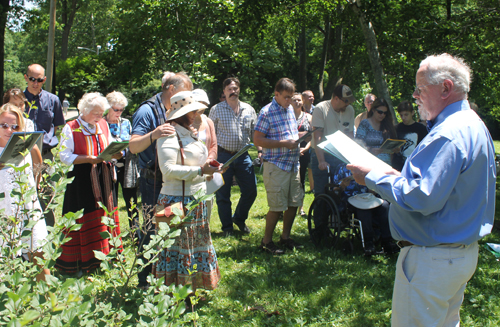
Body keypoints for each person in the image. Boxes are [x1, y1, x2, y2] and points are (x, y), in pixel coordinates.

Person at [347, 53, 495, 326]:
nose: (415, 96)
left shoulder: (448, 133)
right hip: (456, 254)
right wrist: (394, 175)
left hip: (433, 259)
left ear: (446, 88)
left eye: (420, 89)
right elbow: (441, 186)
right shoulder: (472, 124)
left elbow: (421, 197)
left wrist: (371, 177)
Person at [129, 72, 192, 288]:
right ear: (172, 90)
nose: (188, 98)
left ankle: (166, 277)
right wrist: (154, 134)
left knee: (170, 228)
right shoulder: (146, 110)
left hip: (172, 181)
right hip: (152, 182)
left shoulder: (175, 110)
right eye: (186, 92)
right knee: (151, 230)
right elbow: (134, 146)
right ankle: (143, 280)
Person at [153, 90, 221, 290]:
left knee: (193, 246)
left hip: (195, 198)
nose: (196, 114)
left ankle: (192, 287)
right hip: (176, 201)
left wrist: (210, 166)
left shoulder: (188, 132)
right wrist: (201, 170)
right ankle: (175, 290)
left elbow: (197, 159)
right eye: (192, 111)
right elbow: (167, 169)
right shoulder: (168, 134)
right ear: (181, 114)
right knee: (177, 247)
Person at [56, 92, 123, 274]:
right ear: (84, 110)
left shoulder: (102, 124)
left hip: (103, 176)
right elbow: (64, 156)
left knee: (104, 212)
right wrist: (88, 159)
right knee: (83, 215)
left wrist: (116, 152)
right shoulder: (71, 127)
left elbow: (108, 143)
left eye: (101, 113)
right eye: (96, 113)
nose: (99, 117)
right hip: (81, 179)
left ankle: (107, 255)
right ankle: (83, 260)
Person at [0, 103, 50, 281]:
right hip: (4, 211)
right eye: (4, 125)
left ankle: (48, 300)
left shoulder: (28, 147)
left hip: (27, 207)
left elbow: (38, 166)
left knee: (38, 254)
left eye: (15, 126)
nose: (9, 130)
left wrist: (35, 187)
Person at [254, 78, 304, 255]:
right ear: (276, 94)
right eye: (286, 97)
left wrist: (299, 138)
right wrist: (284, 143)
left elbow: (288, 132)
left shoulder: (289, 109)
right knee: (276, 206)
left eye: (291, 97)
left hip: (292, 164)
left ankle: (285, 237)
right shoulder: (266, 112)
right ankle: (266, 241)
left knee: (293, 203)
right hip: (276, 165)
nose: (290, 101)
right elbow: (258, 139)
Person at [208, 77, 259, 236]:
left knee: (251, 190)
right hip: (223, 156)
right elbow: (211, 135)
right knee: (223, 194)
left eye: (235, 88)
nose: (233, 91)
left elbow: (255, 134)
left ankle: (238, 218)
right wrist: (212, 157)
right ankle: (227, 228)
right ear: (224, 92)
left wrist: (261, 151)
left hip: (243, 156)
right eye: (229, 89)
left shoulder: (249, 109)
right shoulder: (216, 109)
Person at [23, 64, 65, 228]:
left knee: (47, 196)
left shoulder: (53, 100)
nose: (35, 83)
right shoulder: (19, 100)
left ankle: (47, 233)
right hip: (23, 155)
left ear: (44, 80)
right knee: (24, 195)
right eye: (32, 79)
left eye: (39, 80)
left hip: (46, 156)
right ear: (26, 78)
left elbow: (57, 126)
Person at [332, 163, 398, 256]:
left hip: (368, 197)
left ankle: (387, 241)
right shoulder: (342, 168)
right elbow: (335, 190)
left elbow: (375, 185)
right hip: (351, 199)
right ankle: (369, 243)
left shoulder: (367, 167)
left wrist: (373, 190)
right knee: (363, 210)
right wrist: (343, 185)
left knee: (385, 206)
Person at [104, 91, 139, 231]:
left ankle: (136, 233)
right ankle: (111, 233)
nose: (119, 112)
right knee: (110, 201)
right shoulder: (101, 123)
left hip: (127, 165)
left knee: (132, 201)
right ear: (107, 108)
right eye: (116, 109)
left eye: (121, 109)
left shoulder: (125, 123)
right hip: (108, 166)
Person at [3, 88, 43, 184]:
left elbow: (33, 148)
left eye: (21, 104)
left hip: (24, 163)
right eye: (14, 104)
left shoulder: (28, 123)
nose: (19, 107)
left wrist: (38, 175)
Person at [192, 89, 218, 222]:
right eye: (198, 102)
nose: (201, 106)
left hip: (206, 172)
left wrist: (209, 161)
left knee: (207, 205)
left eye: (204, 103)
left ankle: (205, 235)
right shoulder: (184, 122)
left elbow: (213, 145)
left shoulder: (208, 122)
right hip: (191, 171)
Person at [355, 98, 398, 166]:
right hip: (370, 165)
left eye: (385, 113)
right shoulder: (365, 124)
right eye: (380, 112)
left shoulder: (387, 126)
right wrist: (371, 150)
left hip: (386, 165)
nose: (382, 115)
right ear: (373, 110)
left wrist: (394, 149)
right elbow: (358, 145)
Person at [291, 92, 312, 216]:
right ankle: (286, 206)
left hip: (304, 152)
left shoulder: (309, 117)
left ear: (302, 102)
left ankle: (301, 208)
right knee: (288, 179)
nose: (297, 102)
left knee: (301, 179)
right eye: (294, 100)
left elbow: (312, 137)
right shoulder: (287, 117)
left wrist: (305, 149)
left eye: (299, 100)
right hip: (289, 151)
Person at [392, 101, 428, 171]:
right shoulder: (397, 128)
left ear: (412, 113)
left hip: (415, 166)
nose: (403, 117)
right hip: (399, 166)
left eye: (406, 114)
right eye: (401, 115)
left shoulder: (421, 129)